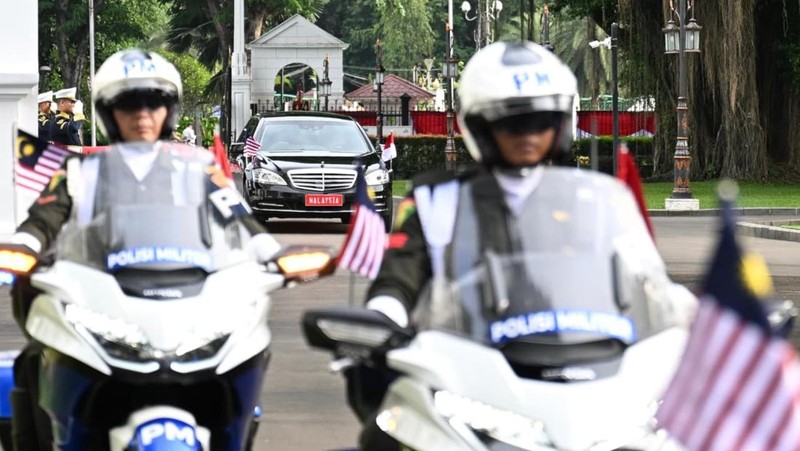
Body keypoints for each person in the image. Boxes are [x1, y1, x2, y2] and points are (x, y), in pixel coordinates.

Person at [349, 41, 694, 450]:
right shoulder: (437, 199)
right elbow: (401, 272)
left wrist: (689, 310)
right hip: (474, 368)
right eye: (512, 123)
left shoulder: (593, 199)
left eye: (541, 121)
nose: (528, 135)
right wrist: (385, 312)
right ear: (479, 126)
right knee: (392, 432)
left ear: (561, 123)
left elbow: (641, 272)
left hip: (590, 360)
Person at [9, 48, 279, 450]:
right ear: (107, 111)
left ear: (168, 110)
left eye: (154, 102)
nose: (142, 114)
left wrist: (274, 254)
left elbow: (239, 218)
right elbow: (44, 219)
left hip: (187, 295)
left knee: (239, 356)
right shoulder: (79, 172)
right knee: (35, 358)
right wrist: (23, 246)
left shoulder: (201, 168)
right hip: (102, 296)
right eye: (128, 103)